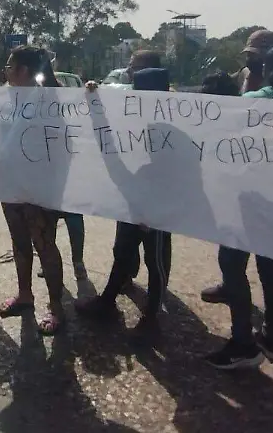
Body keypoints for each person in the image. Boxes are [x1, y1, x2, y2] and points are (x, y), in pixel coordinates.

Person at [204, 45, 273, 370]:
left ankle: (242, 342)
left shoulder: (249, 103)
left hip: (247, 199)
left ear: (265, 68)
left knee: (233, 266)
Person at [73, 66, 176, 340]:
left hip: (156, 208)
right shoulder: (133, 115)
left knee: (155, 260)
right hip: (131, 199)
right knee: (122, 250)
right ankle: (107, 301)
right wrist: (94, 98)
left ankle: (152, 315)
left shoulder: (173, 124)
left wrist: (154, 210)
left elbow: (178, 172)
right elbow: (107, 131)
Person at [201, 29, 273, 303]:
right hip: (237, 174)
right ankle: (231, 286)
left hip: (271, 178)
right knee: (232, 245)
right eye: (249, 55)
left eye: (257, 56)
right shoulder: (243, 77)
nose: (251, 61)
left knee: (272, 254)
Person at [0, 45, 67, 335]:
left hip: (39, 187)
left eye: (9, 67)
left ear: (23, 71)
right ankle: (25, 295)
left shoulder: (50, 100)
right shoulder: (3, 98)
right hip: (11, 183)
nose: (6, 72)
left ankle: (56, 307)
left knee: (45, 244)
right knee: (20, 242)